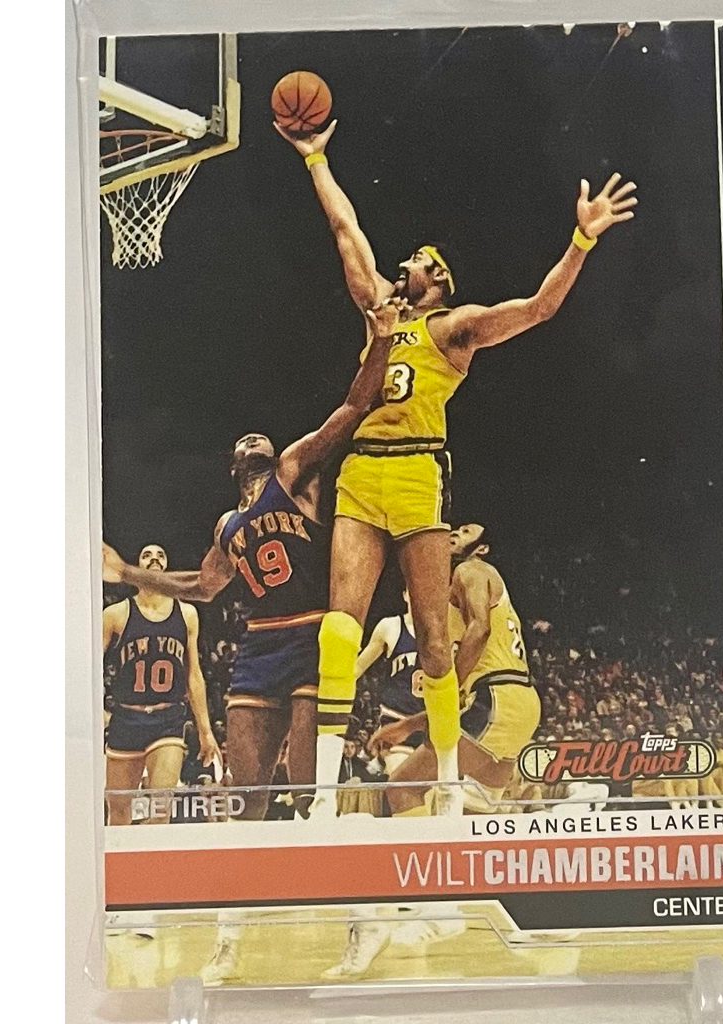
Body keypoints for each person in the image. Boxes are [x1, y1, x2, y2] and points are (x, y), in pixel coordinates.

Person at [276, 119, 637, 817]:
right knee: (338, 631)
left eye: (421, 261)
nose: (408, 264)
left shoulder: (453, 328)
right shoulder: (379, 311)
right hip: (363, 472)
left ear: (439, 281)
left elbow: (538, 309)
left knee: (437, 643)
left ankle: (445, 781)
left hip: (417, 474)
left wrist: (582, 239)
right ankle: (320, 795)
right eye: (410, 258)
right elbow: (346, 230)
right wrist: (316, 158)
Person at [102, 298, 403, 824]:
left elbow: (353, 407)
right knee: (247, 796)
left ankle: (318, 865)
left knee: (307, 790)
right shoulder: (227, 524)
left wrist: (381, 340)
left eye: (261, 436)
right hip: (259, 642)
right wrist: (126, 573)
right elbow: (202, 586)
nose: (254, 436)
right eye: (244, 440)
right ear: (234, 467)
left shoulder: (293, 472)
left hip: (310, 632)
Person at [369, 524, 541, 816]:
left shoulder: (472, 569)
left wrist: (448, 687)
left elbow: (480, 628)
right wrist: (406, 726)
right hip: (519, 702)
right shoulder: (460, 592)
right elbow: (457, 703)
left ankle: (425, 849)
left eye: (467, 532)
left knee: (402, 788)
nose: (456, 532)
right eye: (457, 529)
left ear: (481, 548)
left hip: (495, 698)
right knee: (476, 811)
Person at [103, 544, 220, 825]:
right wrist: (99, 711)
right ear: (138, 566)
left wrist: (205, 730)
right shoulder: (115, 614)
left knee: (161, 810)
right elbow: (89, 665)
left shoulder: (187, 614)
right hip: (126, 718)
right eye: (146, 555)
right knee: (118, 814)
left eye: (160, 555)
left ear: (166, 566)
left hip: (168, 718)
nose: (154, 558)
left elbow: (194, 675)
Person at [353, 590, 425, 776]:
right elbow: (357, 668)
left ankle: (378, 765)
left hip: (431, 721)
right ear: (405, 595)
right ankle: (380, 761)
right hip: (396, 719)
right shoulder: (391, 626)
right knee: (405, 780)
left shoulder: (448, 627)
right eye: (413, 590)